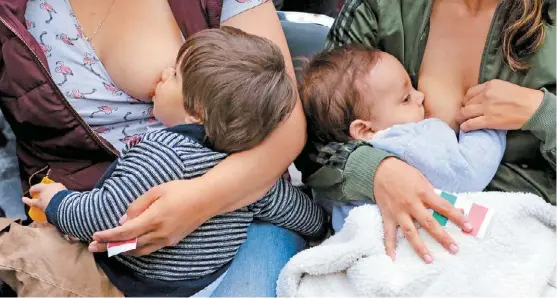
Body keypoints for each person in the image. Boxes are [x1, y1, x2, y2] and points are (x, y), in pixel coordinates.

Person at [0, 0, 308, 296]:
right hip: (97, 238)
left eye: (174, 73)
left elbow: (287, 120)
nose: (163, 76)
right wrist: (318, 221)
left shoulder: (160, 154)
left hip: (242, 193)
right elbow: (295, 209)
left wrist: (200, 200)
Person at [297, 0, 555, 264]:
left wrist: (543, 112)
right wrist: (375, 172)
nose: (419, 98)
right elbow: (311, 132)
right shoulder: (380, 7)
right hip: (391, 245)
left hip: (520, 239)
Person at [299, 44, 506, 235]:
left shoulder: (336, 169)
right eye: (406, 98)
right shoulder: (410, 142)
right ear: (364, 129)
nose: (420, 97)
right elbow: (467, 174)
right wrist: (485, 124)